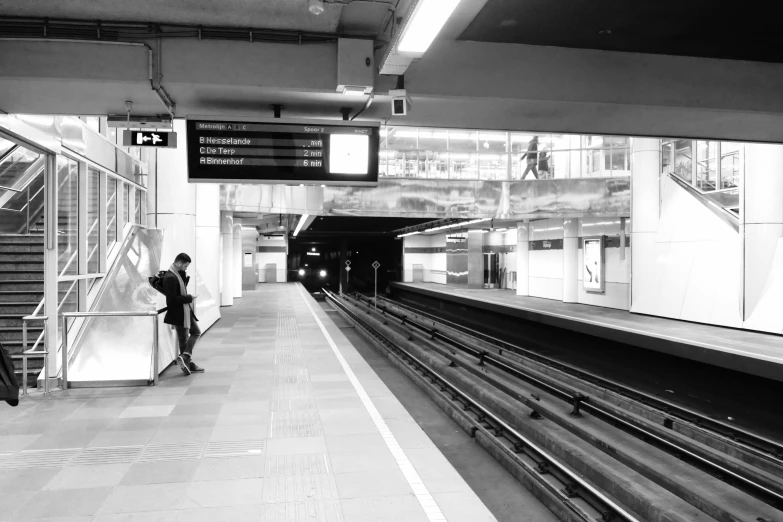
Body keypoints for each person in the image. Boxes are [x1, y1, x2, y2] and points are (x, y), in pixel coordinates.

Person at [163, 253, 204, 375]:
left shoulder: (177, 275)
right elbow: (171, 300)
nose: (186, 268)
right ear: (179, 263)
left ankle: (186, 359)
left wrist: (183, 274)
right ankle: (186, 360)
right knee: (184, 338)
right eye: (185, 266)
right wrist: (189, 297)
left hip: (184, 312)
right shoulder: (170, 277)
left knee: (193, 333)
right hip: (178, 313)